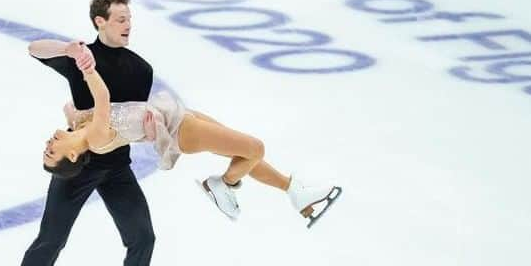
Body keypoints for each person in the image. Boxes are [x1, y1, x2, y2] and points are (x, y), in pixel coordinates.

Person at [0, 0, 160, 266]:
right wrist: (69, 49)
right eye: (119, 18)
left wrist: (148, 130)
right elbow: (34, 48)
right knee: (49, 241)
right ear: (99, 22)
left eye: (129, 18)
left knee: (143, 238)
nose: (128, 24)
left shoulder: (141, 70)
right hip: (79, 163)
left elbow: (132, 122)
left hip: (117, 166)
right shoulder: (82, 59)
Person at [42, 47, 342, 228]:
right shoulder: (93, 138)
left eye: (47, 148)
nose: (49, 145)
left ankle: (293, 191)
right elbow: (103, 96)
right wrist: (86, 66)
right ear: (72, 156)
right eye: (52, 152)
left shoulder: (79, 124)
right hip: (177, 130)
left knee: (242, 152)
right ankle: (222, 185)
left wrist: (73, 107)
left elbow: (71, 99)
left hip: (174, 115)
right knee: (254, 147)